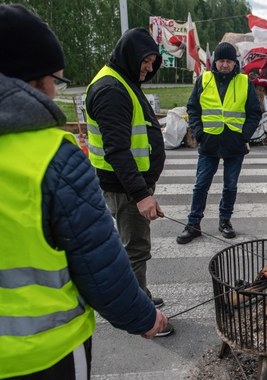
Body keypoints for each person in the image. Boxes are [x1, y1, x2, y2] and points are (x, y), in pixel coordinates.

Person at [0, 4, 169, 378]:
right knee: (134, 247)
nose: (53, 91)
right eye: (55, 81)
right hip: (43, 355)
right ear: (29, 80)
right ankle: (143, 295)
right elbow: (98, 261)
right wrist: (141, 316)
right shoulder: (51, 156)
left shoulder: (121, 82)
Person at [84, 28, 173, 335]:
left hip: (130, 185)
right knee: (135, 248)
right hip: (125, 188)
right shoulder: (111, 90)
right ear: (130, 55)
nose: (149, 68)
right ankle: (141, 315)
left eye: (152, 62)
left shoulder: (122, 80)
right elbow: (118, 150)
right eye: (145, 61)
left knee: (134, 246)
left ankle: (142, 296)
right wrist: (141, 195)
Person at [176, 42, 261, 244]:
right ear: (215, 62)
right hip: (209, 142)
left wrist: (244, 135)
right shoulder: (204, 80)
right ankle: (193, 223)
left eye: (228, 61)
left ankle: (225, 221)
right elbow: (193, 108)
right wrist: (199, 132)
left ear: (234, 63)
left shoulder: (244, 82)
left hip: (235, 143)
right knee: (200, 185)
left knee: (230, 186)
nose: (224, 64)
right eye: (221, 61)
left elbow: (254, 112)